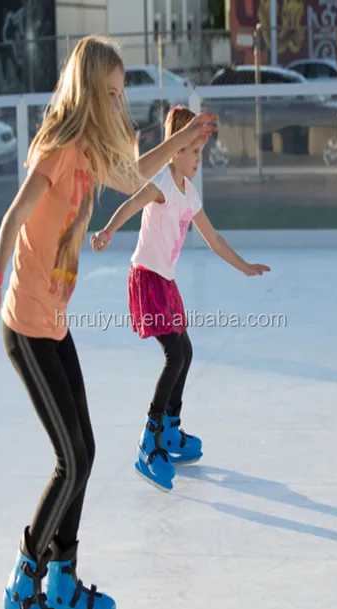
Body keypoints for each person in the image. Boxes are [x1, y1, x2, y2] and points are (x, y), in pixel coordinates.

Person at [0, 38, 216, 609]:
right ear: (86, 91)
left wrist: (181, 142)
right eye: (109, 92)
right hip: (25, 324)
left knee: (85, 453)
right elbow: (13, 217)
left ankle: (62, 580)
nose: (117, 101)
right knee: (73, 458)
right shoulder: (59, 149)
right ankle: (21, 586)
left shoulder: (90, 150)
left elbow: (136, 173)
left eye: (120, 92)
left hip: (54, 323)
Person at [90, 105, 270, 492]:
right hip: (146, 279)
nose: (197, 160)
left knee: (185, 353)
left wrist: (244, 266)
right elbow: (129, 204)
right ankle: (148, 439)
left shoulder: (190, 195)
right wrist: (106, 231)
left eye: (200, 153)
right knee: (175, 355)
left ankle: (170, 430)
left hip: (166, 283)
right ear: (176, 151)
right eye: (192, 152)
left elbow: (214, 239)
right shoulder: (162, 183)